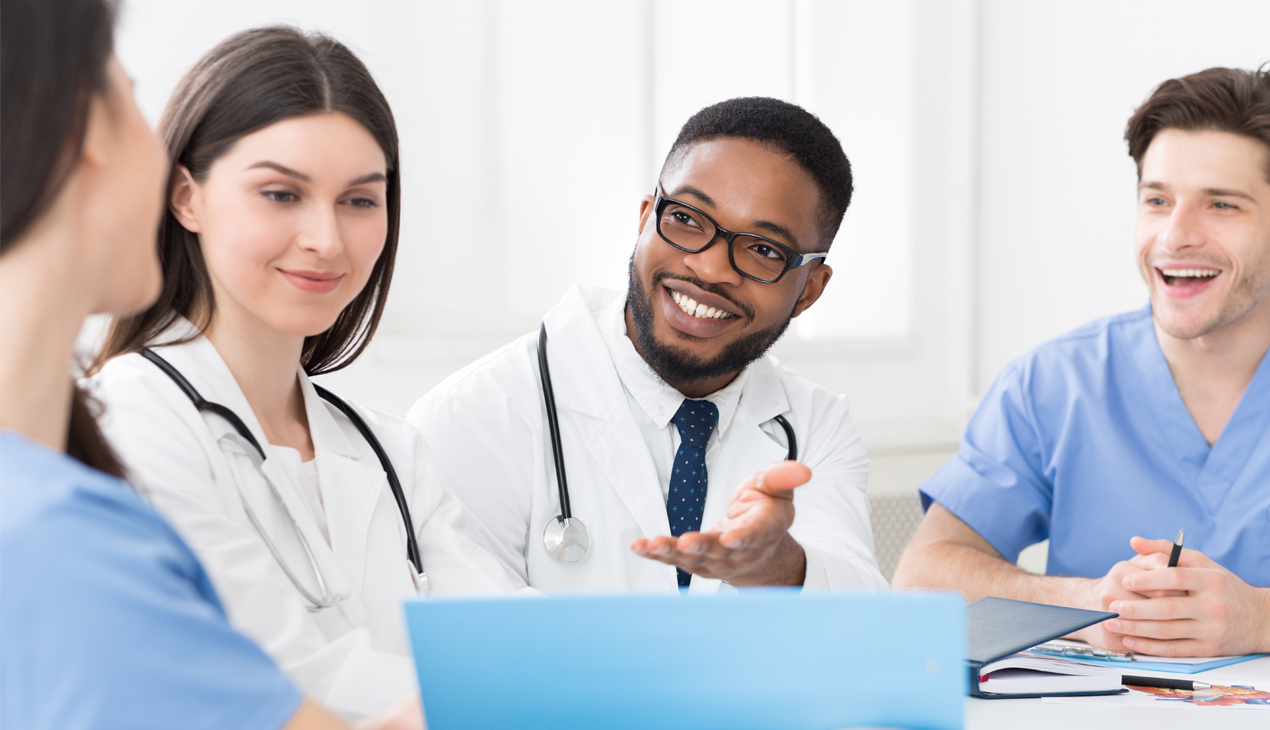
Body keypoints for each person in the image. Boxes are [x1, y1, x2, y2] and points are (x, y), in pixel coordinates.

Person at [0, 1, 417, 728]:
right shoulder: (69, 524)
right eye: (129, 99)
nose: (325, 237)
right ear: (83, 134)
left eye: (359, 199)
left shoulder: (58, 499)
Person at [84, 26, 520, 719]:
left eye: (360, 199)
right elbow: (270, 673)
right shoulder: (131, 415)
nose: (327, 239)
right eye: (281, 195)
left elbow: (518, 649)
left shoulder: (391, 452)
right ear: (185, 197)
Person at [408, 97, 887, 593]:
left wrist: (781, 570)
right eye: (687, 219)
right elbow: (472, 655)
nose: (709, 269)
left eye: (764, 250)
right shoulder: (470, 418)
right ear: (644, 220)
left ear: (809, 289)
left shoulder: (816, 427)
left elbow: (863, 626)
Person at [892, 67, 1270, 657]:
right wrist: (1087, 603)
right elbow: (920, 581)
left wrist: (1262, 619)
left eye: (1221, 204)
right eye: (1157, 200)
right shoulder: (1052, 385)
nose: (1175, 235)